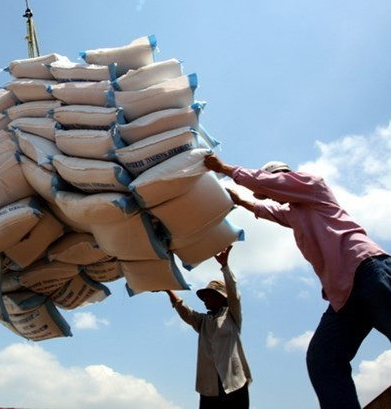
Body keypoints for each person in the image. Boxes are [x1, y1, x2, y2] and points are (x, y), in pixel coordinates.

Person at [203, 153, 390, 409]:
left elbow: (273, 187)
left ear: (284, 175)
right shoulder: (295, 213)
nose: (272, 195)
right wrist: (243, 202)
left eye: (273, 186)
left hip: (367, 270)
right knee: (323, 359)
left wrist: (225, 168)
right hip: (342, 298)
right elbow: (267, 210)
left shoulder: (313, 185)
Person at [163, 245, 252, 409]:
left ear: (221, 298)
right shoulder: (203, 321)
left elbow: (234, 294)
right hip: (210, 386)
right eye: (204, 296)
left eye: (208, 295)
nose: (204, 300)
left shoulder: (232, 316)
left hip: (233, 383)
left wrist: (225, 266)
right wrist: (167, 290)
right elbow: (185, 311)